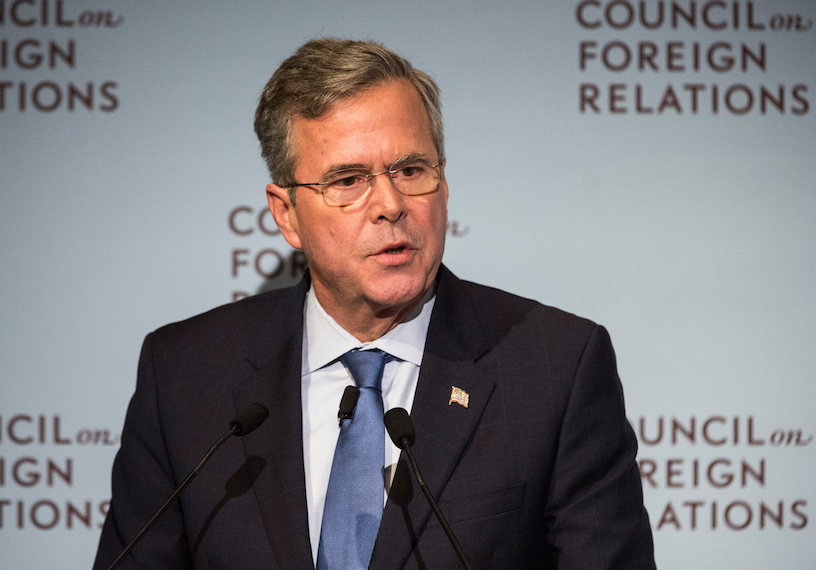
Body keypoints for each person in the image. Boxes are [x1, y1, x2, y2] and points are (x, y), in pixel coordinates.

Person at [94, 38, 656, 569]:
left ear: (443, 181)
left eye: (411, 170)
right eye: (349, 179)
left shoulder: (554, 369)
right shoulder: (184, 377)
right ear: (286, 213)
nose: (390, 204)